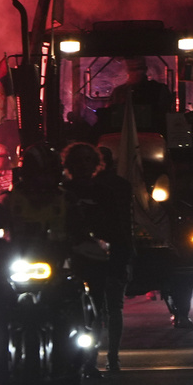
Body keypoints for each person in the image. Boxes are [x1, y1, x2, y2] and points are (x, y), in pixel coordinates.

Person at [0, 143, 99, 385]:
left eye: (47, 173)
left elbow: (80, 231)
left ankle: (79, 353)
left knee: (78, 293)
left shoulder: (67, 200)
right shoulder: (9, 200)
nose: (42, 180)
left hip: (55, 269)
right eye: (37, 173)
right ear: (26, 173)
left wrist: (89, 246)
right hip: (13, 268)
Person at [62, 142, 127, 371]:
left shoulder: (104, 193)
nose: (83, 165)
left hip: (98, 259)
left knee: (98, 308)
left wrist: (119, 259)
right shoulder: (61, 193)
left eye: (88, 160)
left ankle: (95, 359)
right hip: (68, 258)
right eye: (78, 160)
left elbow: (117, 229)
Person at [106, 57, 173, 134]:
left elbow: (166, 114)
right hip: (123, 133)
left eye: (139, 68)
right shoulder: (118, 92)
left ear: (145, 69)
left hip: (152, 133)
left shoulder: (159, 89)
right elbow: (110, 114)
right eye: (133, 69)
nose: (136, 72)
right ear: (127, 70)